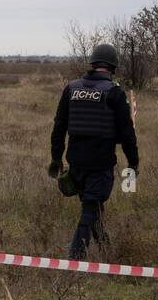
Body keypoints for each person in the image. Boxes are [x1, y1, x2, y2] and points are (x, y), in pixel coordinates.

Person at [48, 43, 139, 260]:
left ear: (93, 63)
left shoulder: (71, 89)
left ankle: (108, 253)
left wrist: (56, 158)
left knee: (94, 208)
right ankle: (74, 262)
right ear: (113, 67)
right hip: (100, 164)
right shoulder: (114, 93)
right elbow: (127, 134)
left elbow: (59, 127)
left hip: (76, 163)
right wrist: (133, 163)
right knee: (89, 211)